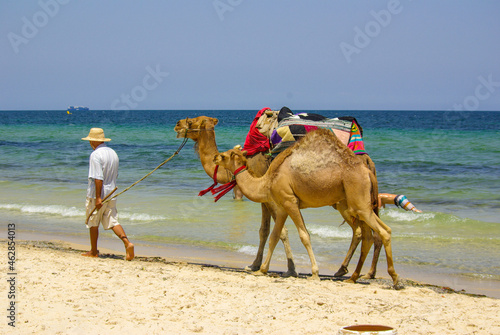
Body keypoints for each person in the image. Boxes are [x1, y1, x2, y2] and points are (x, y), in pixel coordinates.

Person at [81, 128, 134, 260]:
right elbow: (115, 174)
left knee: (93, 222)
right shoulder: (113, 153)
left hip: (98, 194)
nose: (89, 143)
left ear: (93, 141)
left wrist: (98, 197)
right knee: (112, 220)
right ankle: (127, 243)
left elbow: (98, 178)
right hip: (112, 192)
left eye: (90, 141)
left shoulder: (95, 155)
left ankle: (93, 251)